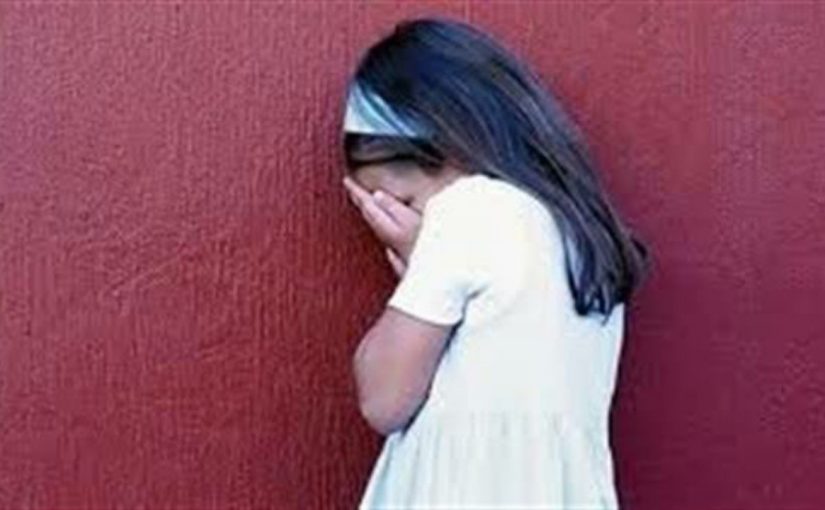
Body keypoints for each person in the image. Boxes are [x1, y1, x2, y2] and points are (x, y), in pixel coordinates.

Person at [341, 16, 651, 509]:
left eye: (402, 201)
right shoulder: (581, 233)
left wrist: (420, 267)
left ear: (453, 149)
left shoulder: (468, 210)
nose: (398, 220)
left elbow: (383, 397)